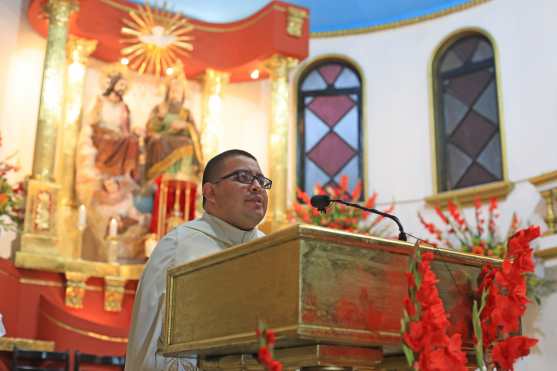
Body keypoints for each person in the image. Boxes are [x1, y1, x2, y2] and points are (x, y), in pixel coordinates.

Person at [125, 149, 271, 371]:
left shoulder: (273, 250)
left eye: (261, 180)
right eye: (242, 178)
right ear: (210, 192)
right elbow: (149, 343)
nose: (256, 186)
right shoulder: (179, 247)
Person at [144, 69, 203, 182]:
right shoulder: (159, 108)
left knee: (188, 143)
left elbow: (195, 134)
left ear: (183, 96)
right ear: (167, 93)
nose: (174, 95)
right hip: (161, 139)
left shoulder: (186, 113)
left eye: (178, 92)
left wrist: (185, 126)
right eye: (172, 91)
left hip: (179, 140)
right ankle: (160, 174)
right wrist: (160, 119)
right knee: (158, 142)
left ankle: (182, 173)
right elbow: (150, 129)